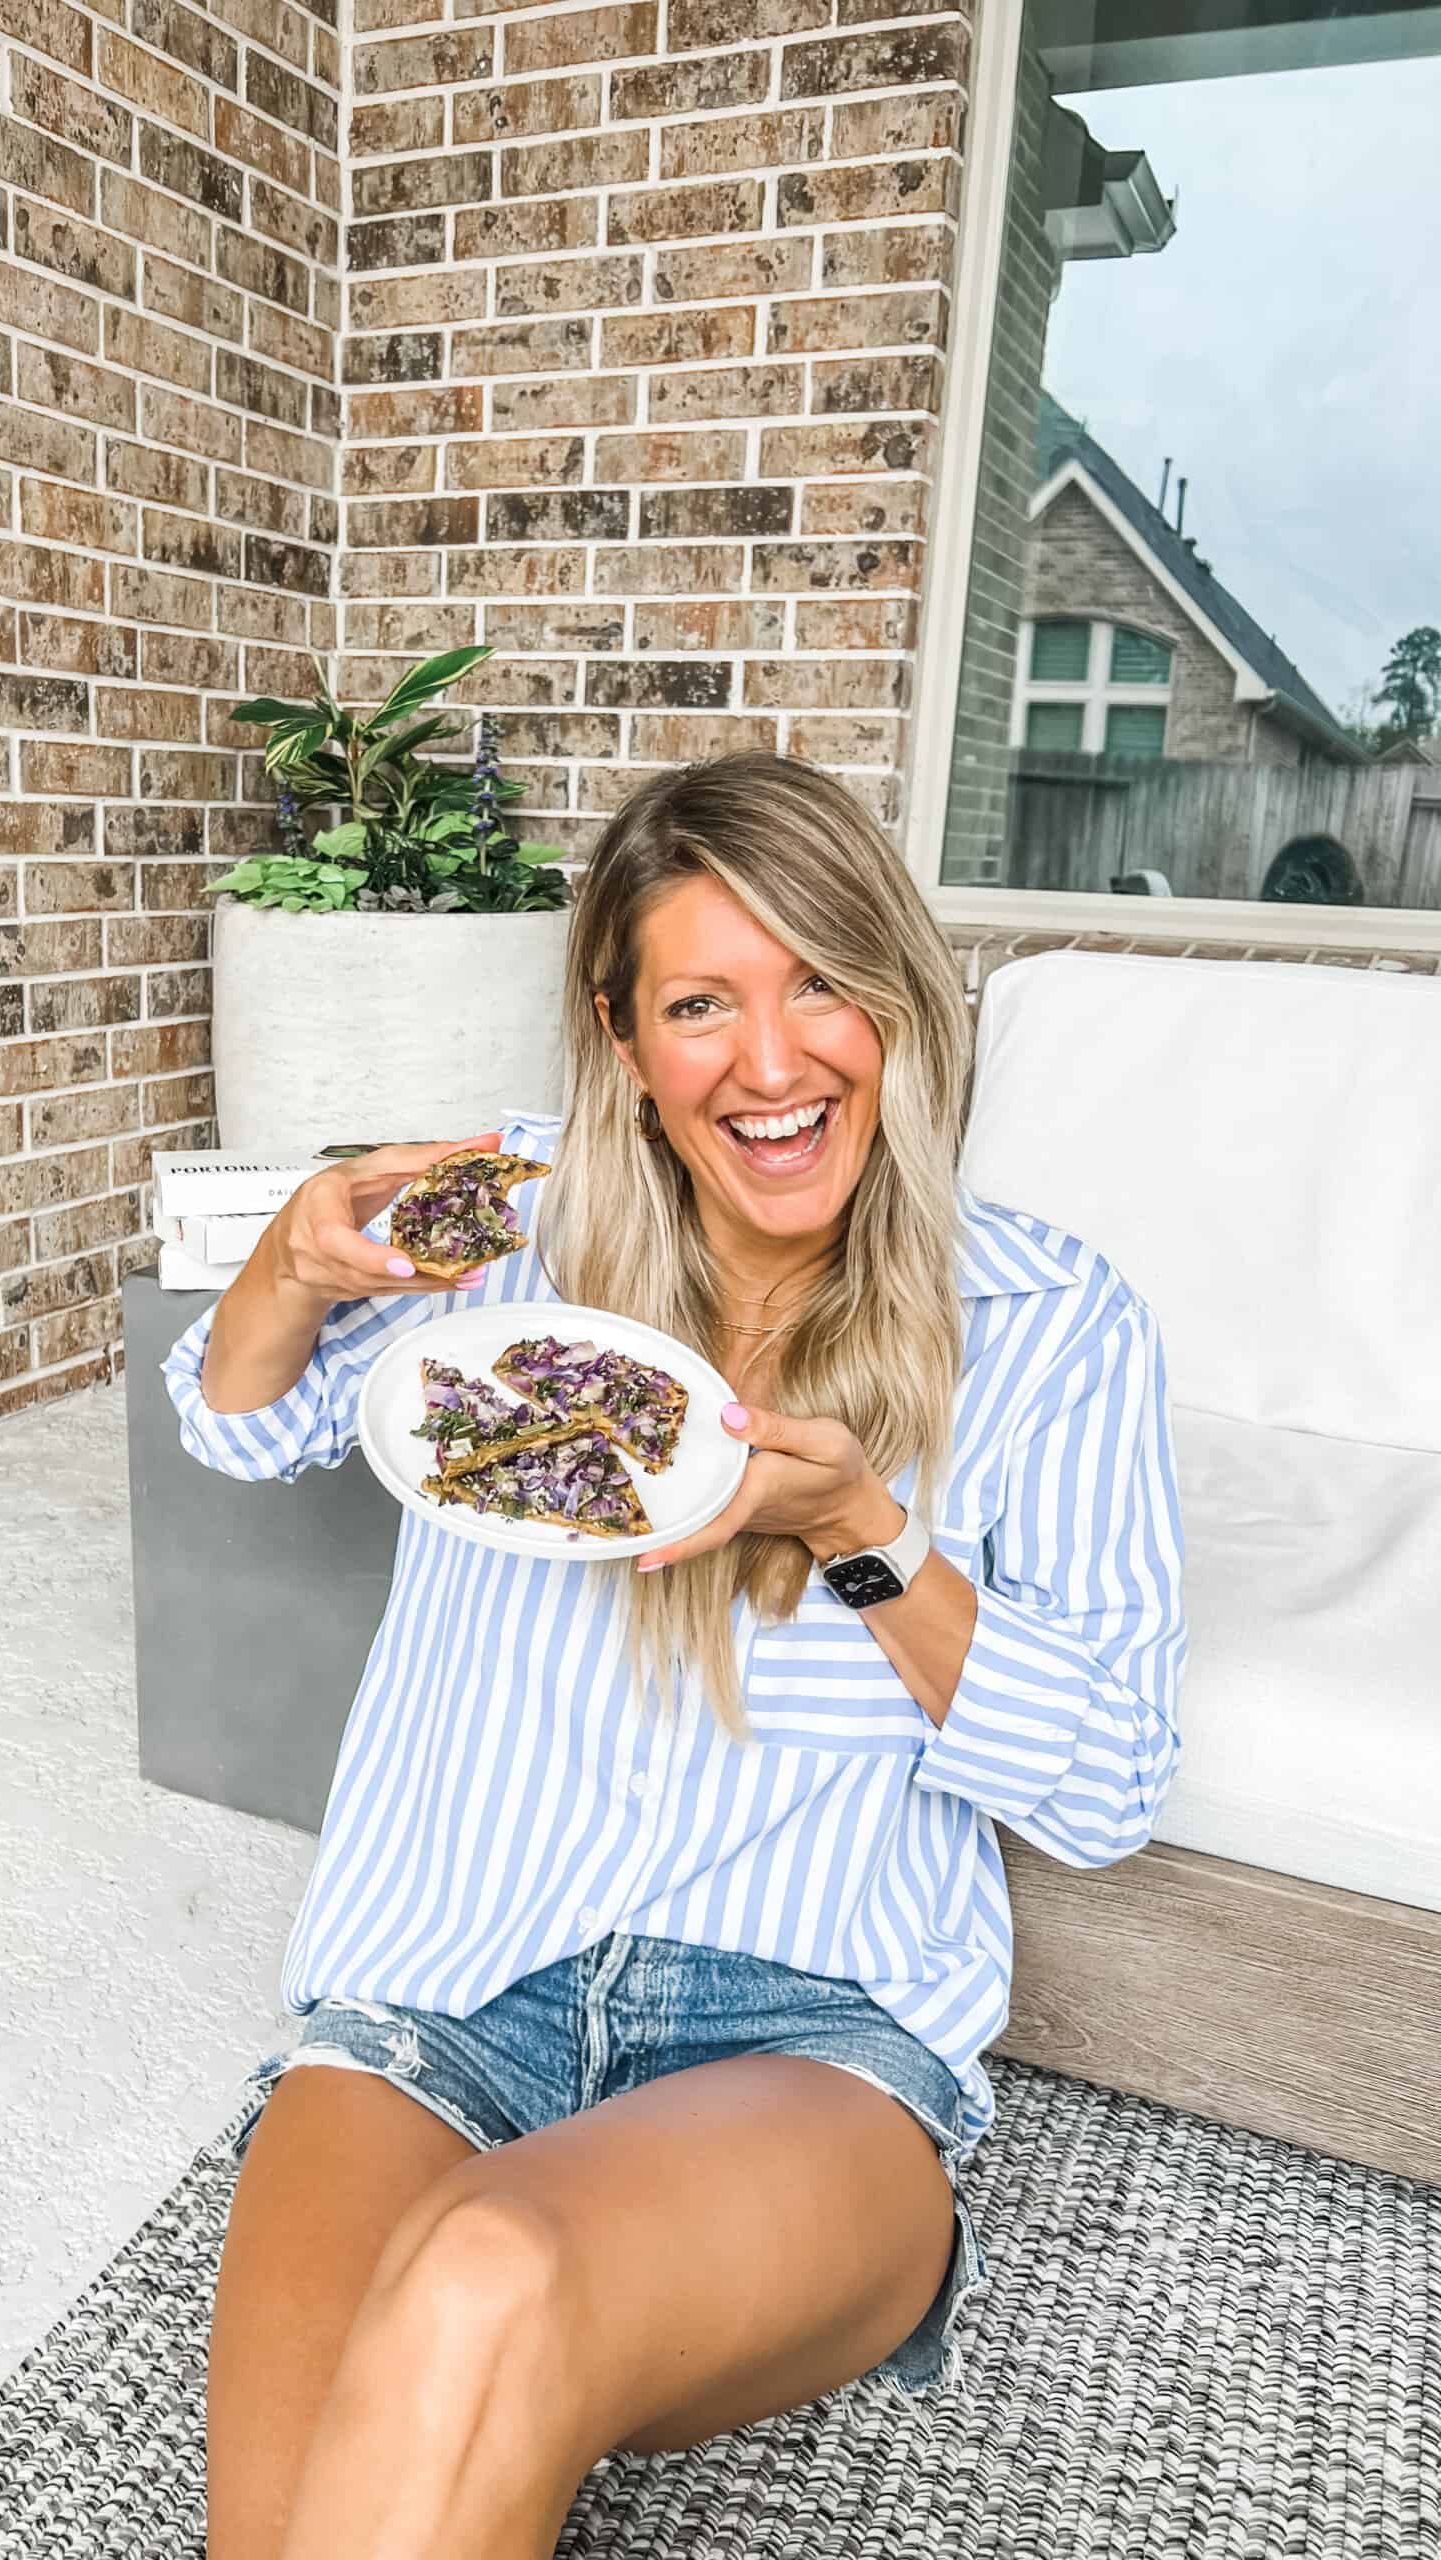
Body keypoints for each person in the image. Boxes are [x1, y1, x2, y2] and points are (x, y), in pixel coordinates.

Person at [164, 751, 1187, 2559]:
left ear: (906, 1005)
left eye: (824, 985)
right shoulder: (511, 1234)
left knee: (485, 2273)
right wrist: (290, 1265)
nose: (774, 1063)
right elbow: (244, 1427)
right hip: (439, 1992)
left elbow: (1107, 1788)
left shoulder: (1052, 1320)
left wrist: (868, 1537)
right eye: (703, 1002)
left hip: (811, 2035)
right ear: (625, 1038)